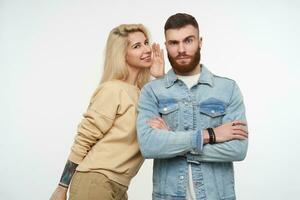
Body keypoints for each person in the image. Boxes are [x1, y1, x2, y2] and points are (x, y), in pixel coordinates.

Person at [137, 13, 248, 200]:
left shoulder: (227, 89)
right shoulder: (152, 91)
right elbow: (149, 146)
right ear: (166, 46)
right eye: (174, 43)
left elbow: (237, 149)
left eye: (188, 40)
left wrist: (172, 141)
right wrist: (211, 135)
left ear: (200, 42)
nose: (181, 49)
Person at [49, 23, 164, 200]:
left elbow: (164, 128)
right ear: (121, 54)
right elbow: (84, 139)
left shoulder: (144, 93)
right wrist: (61, 187)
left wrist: (160, 78)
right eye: (137, 46)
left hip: (118, 185)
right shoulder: (112, 90)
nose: (147, 49)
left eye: (146, 42)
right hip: (95, 180)